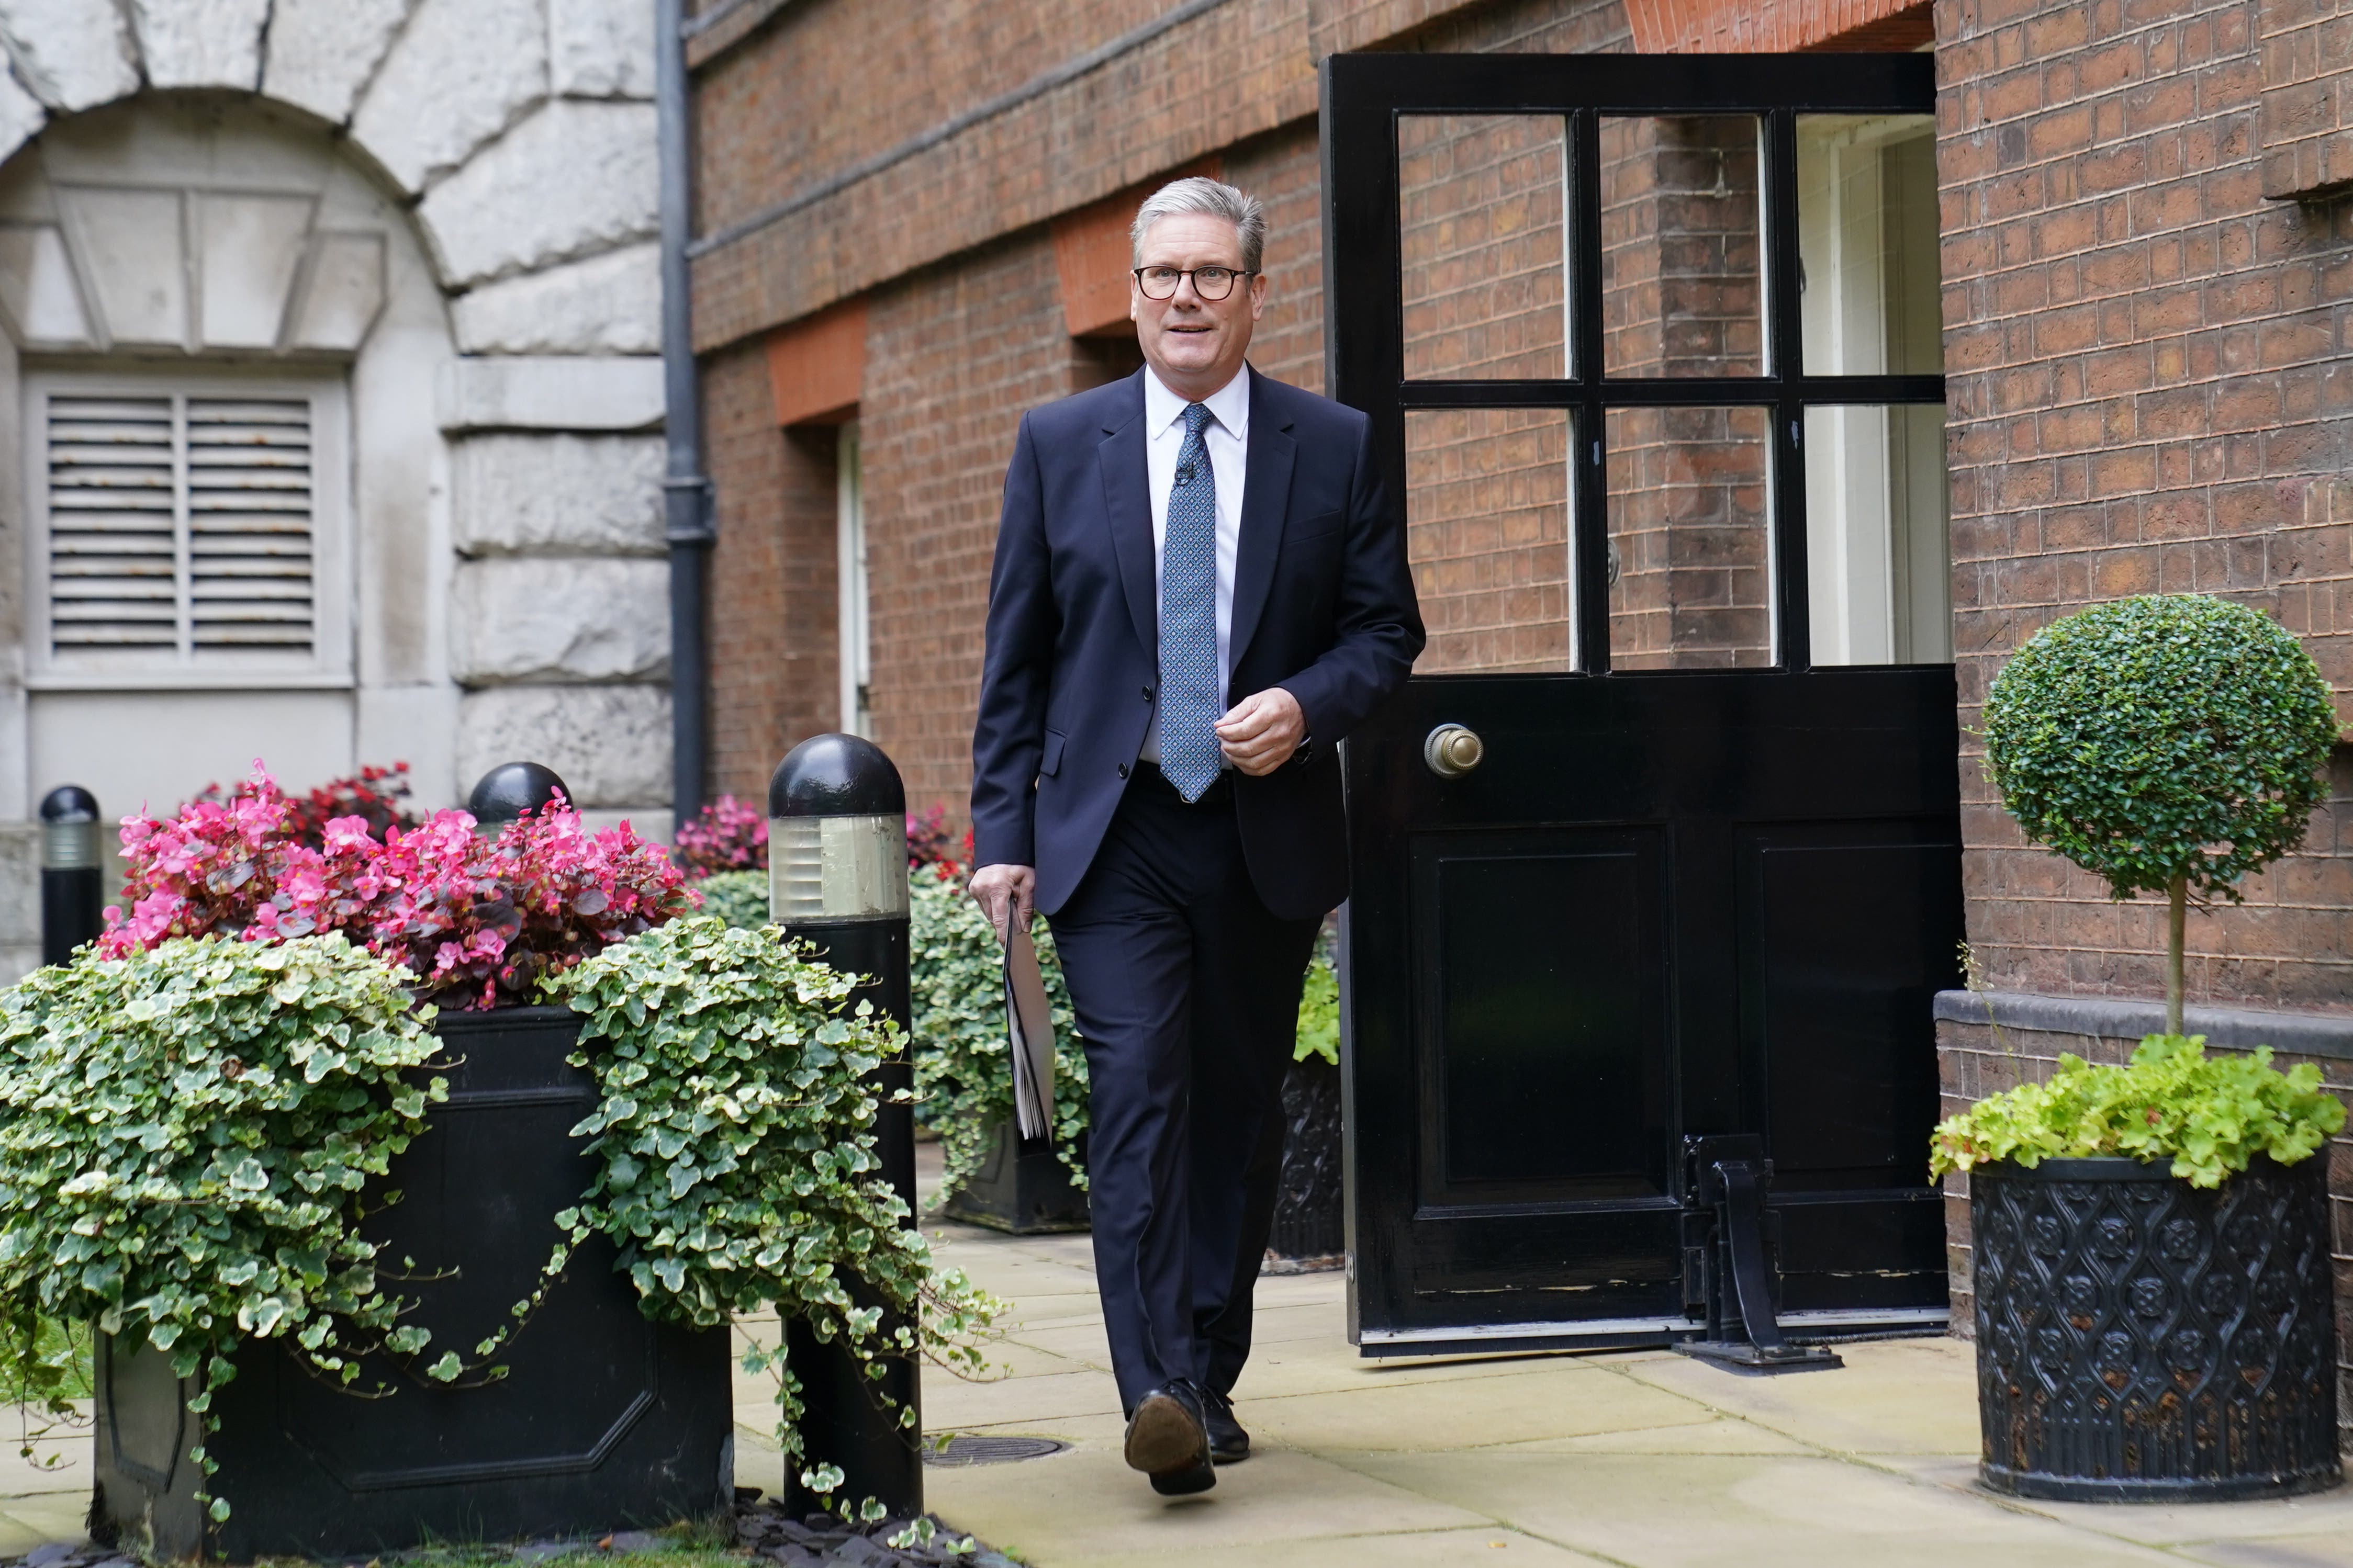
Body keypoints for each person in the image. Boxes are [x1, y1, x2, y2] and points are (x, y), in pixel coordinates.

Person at [967, 176, 1424, 1496]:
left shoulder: (1330, 444)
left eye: (1211, 275)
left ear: (1252, 294)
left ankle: (1207, 1379)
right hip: (1109, 837)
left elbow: (1385, 632)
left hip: (1258, 834)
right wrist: (1003, 834)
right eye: (1162, 275)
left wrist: (1305, 704)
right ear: (1131, 294)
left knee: (1234, 1112)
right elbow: (1019, 660)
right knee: (1140, 1101)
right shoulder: (1063, 441)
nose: (1183, 296)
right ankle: (1152, 1386)